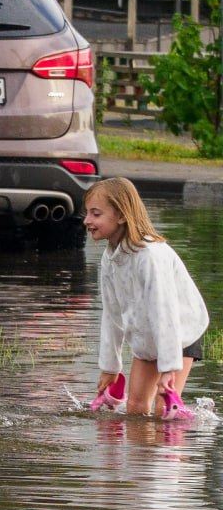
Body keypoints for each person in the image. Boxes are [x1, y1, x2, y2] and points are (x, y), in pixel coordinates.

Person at [83, 177, 209, 416]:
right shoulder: (110, 258)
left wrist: (169, 368)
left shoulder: (150, 255)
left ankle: (177, 448)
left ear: (121, 215)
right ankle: (142, 454)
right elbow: (111, 315)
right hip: (148, 338)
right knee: (135, 409)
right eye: (87, 213)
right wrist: (110, 367)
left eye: (95, 214)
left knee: (165, 410)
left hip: (179, 335)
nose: (87, 220)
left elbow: (166, 311)